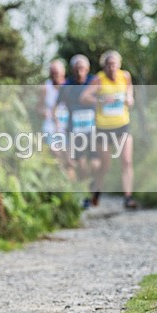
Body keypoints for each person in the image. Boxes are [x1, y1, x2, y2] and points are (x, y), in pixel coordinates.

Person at [81, 50, 138, 209]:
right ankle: (96, 192)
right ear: (104, 66)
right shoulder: (99, 79)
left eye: (114, 64)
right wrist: (101, 99)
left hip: (122, 124)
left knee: (127, 161)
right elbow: (84, 97)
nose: (112, 68)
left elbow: (129, 93)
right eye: (108, 65)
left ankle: (128, 198)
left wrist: (130, 98)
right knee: (105, 165)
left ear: (119, 65)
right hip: (104, 128)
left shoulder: (125, 76)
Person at [56, 54, 99, 207]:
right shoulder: (67, 86)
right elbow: (58, 107)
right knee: (81, 164)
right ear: (73, 70)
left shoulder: (94, 82)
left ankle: (94, 186)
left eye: (82, 68)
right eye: (77, 68)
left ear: (87, 69)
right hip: (74, 131)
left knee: (95, 164)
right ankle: (85, 194)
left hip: (93, 130)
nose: (80, 71)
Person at [37, 59, 72, 175]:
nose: (55, 76)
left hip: (66, 127)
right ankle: (63, 182)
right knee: (56, 153)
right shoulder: (45, 87)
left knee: (69, 158)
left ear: (63, 72)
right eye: (53, 73)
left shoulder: (69, 86)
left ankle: (74, 185)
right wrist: (44, 112)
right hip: (50, 127)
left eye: (57, 73)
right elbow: (38, 107)